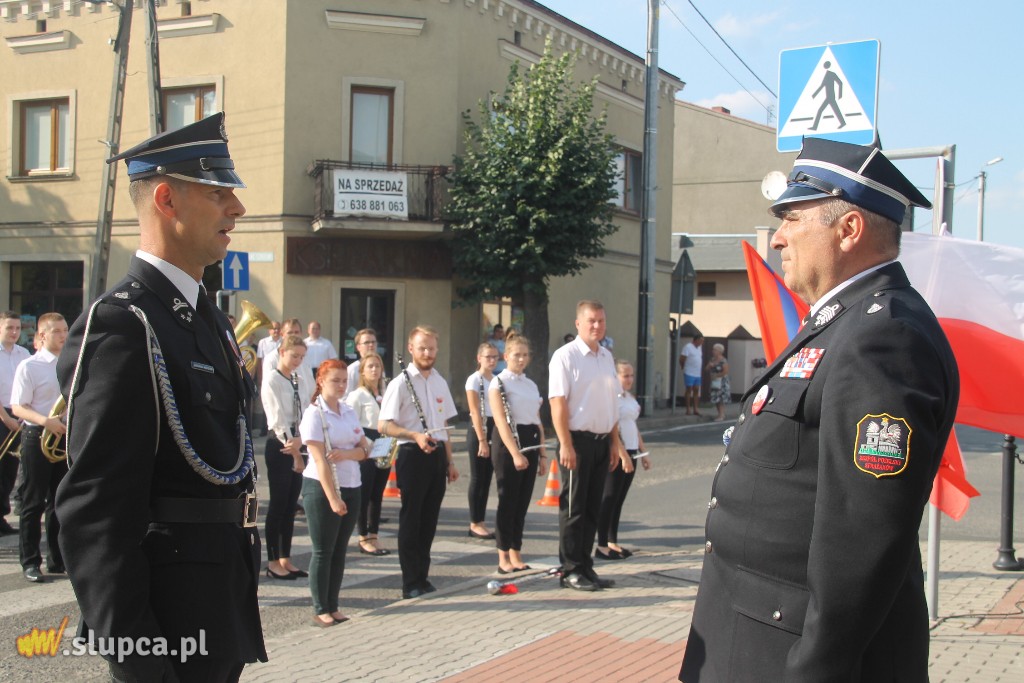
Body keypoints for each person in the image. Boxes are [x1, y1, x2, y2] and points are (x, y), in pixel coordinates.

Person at [679, 138, 959, 682]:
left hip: (794, 649)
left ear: (848, 230)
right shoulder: (840, 321)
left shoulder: (883, 336)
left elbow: (864, 533)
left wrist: (817, 669)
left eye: (792, 218)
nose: (778, 236)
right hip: (754, 624)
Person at [55, 113, 267, 681]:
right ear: (167, 200)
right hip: (166, 621)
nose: (237, 209)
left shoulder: (208, 320)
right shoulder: (123, 324)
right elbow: (95, 514)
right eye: (220, 193)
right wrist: (140, 662)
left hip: (218, 600)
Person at [378, 325, 459, 599]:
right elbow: (383, 425)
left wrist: (450, 461)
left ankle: (423, 577)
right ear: (411, 349)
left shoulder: (439, 381)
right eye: (422, 348)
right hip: (412, 453)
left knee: (430, 520)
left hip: (436, 454)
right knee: (412, 519)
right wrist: (414, 434)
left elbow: (444, 424)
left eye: (432, 348)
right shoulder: (399, 383)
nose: (427, 353)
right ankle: (410, 581)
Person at [549, 300, 624, 592]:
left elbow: (611, 404)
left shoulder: (606, 356)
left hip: (602, 441)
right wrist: (565, 444)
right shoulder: (565, 357)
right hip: (576, 441)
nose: (597, 326)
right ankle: (570, 570)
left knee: (593, 507)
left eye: (601, 321)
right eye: (591, 321)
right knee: (574, 509)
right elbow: (558, 403)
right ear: (578, 323)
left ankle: (586, 566)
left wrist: (614, 444)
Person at [299, 359, 369, 627]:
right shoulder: (314, 414)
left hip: (352, 483)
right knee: (323, 550)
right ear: (321, 381)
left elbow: (365, 449)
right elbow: (319, 460)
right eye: (335, 381)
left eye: (343, 380)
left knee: (340, 550)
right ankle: (321, 607)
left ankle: (334, 604)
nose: (341, 385)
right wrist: (332, 498)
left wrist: (348, 453)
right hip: (322, 487)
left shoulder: (348, 410)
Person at [12, 312, 67, 583]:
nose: (64, 335)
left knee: (59, 502)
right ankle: (31, 561)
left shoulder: (71, 365)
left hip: (64, 436)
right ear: (43, 336)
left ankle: (57, 560)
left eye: (65, 330)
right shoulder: (29, 366)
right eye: (57, 331)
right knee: (32, 502)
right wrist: (47, 421)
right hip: (38, 436)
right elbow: (18, 406)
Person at [488, 334, 546, 574]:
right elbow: (501, 422)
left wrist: (542, 453)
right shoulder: (499, 383)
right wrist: (515, 453)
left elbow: (537, 420)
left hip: (530, 440)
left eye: (525, 355)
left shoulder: (530, 384)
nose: (521, 359)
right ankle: (503, 556)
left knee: (522, 503)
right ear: (506, 356)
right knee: (508, 501)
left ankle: (516, 552)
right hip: (508, 444)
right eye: (516, 355)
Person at [262, 335, 313, 580]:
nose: (297, 361)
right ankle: (272, 561)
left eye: (301, 357)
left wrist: (302, 442)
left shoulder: (297, 378)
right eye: (294, 356)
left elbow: (304, 410)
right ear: (282, 352)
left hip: (298, 442)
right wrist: (295, 453)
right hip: (281, 444)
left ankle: (286, 558)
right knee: (279, 504)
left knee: (291, 505)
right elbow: (277, 418)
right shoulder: (272, 378)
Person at [596, 359, 647, 561]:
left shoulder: (629, 397)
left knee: (618, 499)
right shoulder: (612, 398)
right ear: (615, 376)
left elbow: (632, 426)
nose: (629, 379)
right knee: (608, 498)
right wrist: (623, 454)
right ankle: (601, 544)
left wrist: (644, 453)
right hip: (617, 453)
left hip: (632, 449)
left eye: (631, 375)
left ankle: (612, 541)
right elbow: (612, 429)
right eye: (625, 375)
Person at [344, 352, 391, 556]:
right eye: (370, 366)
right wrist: (367, 444)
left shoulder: (385, 393)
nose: (374, 370)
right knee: (365, 494)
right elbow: (352, 425)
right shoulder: (357, 395)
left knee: (377, 495)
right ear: (362, 371)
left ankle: (374, 534)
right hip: (367, 445)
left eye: (377, 366)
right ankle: (363, 536)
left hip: (384, 444)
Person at [0, 311, 30, 536]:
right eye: (9, 327)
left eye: (18, 328)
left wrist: (22, 412)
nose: (14, 332)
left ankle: (2, 515)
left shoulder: (23, 353)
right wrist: (6, 418)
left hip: (19, 413)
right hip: (2, 414)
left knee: (10, 469)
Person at [465, 342, 499, 540]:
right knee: (478, 477)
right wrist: (482, 440)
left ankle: (482, 521)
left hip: (494, 426)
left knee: (487, 477)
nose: (492, 360)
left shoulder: (496, 380)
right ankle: (475, 522)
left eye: (495, 357)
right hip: (479, 427)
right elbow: (475, 410)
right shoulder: (474, 380)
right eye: (488, 357)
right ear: (479, 358)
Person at [345, 328, 378, 397]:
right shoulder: (352, 369)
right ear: (358, 347)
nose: (371, 345)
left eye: (373, 342)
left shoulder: (379, 367)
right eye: (367, 342)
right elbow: (345, 397)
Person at [704, 344, 730, 422]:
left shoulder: (723, 360)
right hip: (714, 382)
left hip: (722, 382)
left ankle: (721, 414)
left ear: (719, 351)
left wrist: (717, 375)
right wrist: (709, 365)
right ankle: (719, 414)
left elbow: (725, 371)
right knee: (716, 398)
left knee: (720, 398)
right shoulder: (712, 360)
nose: (713, 351)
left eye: (715, 350)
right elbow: (706, 369)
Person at [679, 334, 703, 416]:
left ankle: (695, 408)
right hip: (689, 372)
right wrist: (683, 366)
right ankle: (688, 408)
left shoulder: (699, 348)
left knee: (696, 389)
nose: (701, 342)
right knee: (689, 389)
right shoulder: (688, 347)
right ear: (696, 340)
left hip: (697, 373)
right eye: (700, 340)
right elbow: (682, 358)